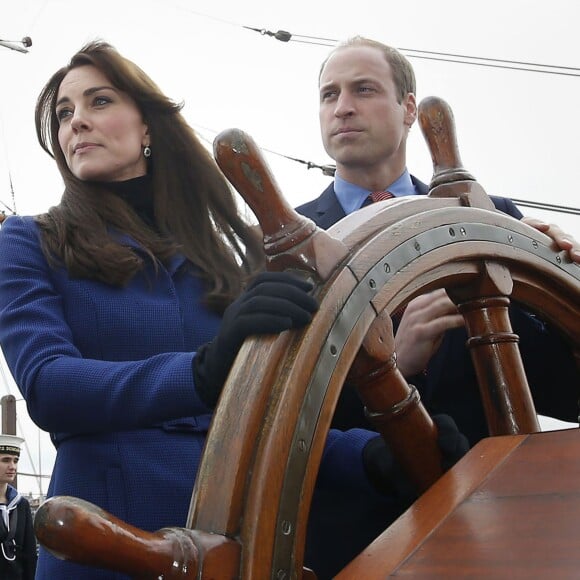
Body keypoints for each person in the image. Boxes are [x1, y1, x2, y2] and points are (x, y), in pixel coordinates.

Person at [0, 41, 468, 579]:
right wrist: (202, 370)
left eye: (99, 102)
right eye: (64, 112)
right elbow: (49, 385)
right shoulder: (29, 241)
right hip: (103, 551)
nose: (77, 121)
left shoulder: (229, 255)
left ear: (149, 128)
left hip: (240, 548)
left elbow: (271, 411)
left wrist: (371, 457)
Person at [296, 35, 579, 443]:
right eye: (329, 95)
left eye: (364, 89)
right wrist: (392, 367)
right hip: (360, 502)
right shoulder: (284, 249)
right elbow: (283, 423)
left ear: (409, 108)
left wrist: (557, 275)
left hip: (492, 495)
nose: (342, 108)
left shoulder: (490, 220)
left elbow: (565, 394)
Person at [0, 434, 37, 580]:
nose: (12, 467)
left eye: (15, 461)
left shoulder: (21, 505)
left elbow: (30, 555)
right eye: (5, 460)